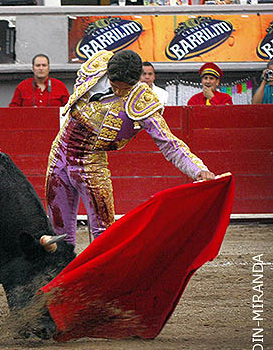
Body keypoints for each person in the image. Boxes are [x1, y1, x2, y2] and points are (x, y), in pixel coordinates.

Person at [45, 49, 215, 246]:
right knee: (58, 231)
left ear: (136, 81)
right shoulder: (98, 65)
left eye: (122, 89)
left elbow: (169, 143)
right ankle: (60, 272)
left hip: (90, 163)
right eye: (114, 85)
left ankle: (104, 275)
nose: (117, 91)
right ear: (108, 71)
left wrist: (198, 170)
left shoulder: (142, 100)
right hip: (59, 153)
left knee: (104, 234)